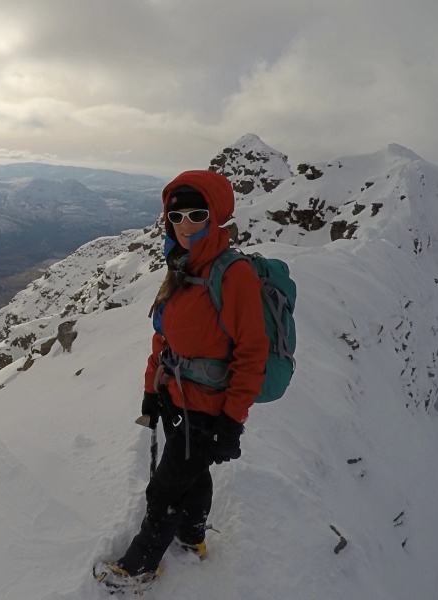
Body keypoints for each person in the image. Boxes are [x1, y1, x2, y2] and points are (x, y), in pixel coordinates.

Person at [96, 169, 269, 589]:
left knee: (164, 489)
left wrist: (232, 421)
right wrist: (150, 389)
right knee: (192, 471)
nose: (186, 225)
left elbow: (252, 354)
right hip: (176, 397)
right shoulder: (180, 267)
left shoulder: (233, 274)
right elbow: (164, 337)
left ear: (216, 216)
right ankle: (191, 538)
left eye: (197, 215)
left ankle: (140, 567)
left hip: (208, 408)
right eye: (177, 216)